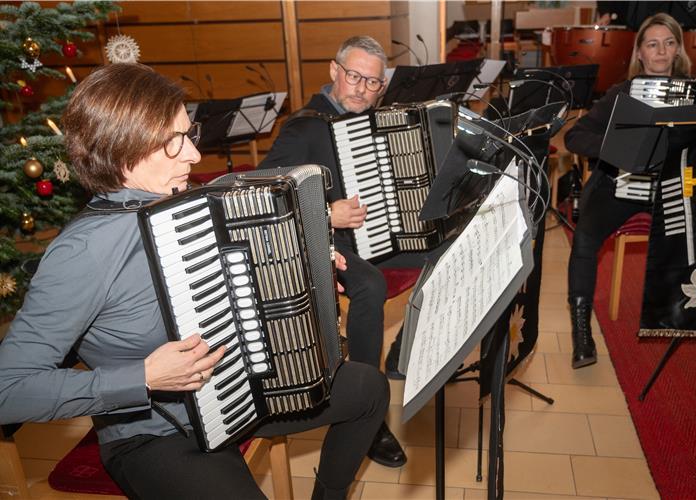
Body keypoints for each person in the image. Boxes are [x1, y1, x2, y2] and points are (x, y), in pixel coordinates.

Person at [0, 63, 389, 500]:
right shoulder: (81, 253)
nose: (193, 155)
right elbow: (8, 389)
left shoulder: (184, 206)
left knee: (369, 388)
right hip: (157, 434)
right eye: (174, 142)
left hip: (239, 386)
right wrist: (144, 376)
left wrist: (301, 265)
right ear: (122, 149)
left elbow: (232, 282)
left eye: (189, 135)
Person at [258, 36, 407, 467]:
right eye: (354, 76)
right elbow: (262, 197)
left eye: (373, 83)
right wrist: (326, 213)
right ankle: (369, 408)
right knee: (370, 286)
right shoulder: (304, 127)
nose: (361, 89)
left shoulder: (375, 121)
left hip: (377, 233)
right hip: (325, 243)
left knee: (445, 249)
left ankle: (403, 351)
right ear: (333, 71)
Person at [564, 13, 691, 369]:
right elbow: (575, 137)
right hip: (619, 186)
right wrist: (616, 146)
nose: (661, 51)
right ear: (640, 52)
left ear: (678, 48)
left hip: (671, 187)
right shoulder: (621, 94)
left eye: (668, 43)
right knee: (586, 237)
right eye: (653, 44)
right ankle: (581, 329)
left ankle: (682, 312)